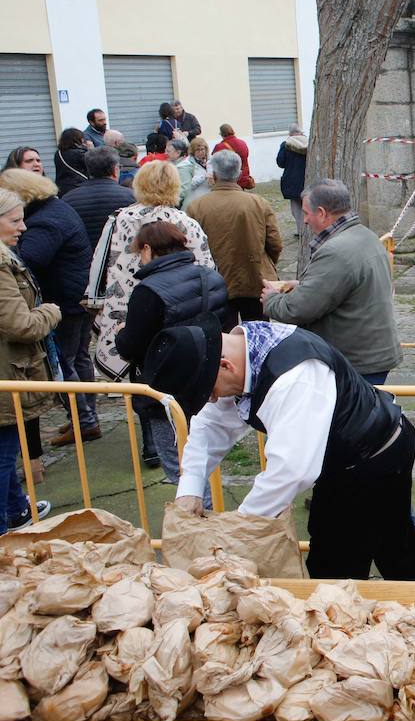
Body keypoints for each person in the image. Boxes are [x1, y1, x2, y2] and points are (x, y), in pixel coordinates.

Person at [158, 315, 415, 581]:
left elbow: (291, 471)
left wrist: (240, 529)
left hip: (374, 454)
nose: (214, 398)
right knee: (389, 544)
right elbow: (210, 424)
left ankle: (413, 609)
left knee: (337, 564)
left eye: (211, 391)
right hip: (349, 453)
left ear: (225, 365)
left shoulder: (294, 378)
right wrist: (191, 488)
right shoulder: (244, 348)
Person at [113, 222, 229, 500]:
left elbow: (131, 345)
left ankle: (199, 528)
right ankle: (210, 522)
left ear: (148, 249)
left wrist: (120, 335)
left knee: (179, 466)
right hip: (209, 381)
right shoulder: (210, 276)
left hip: (165, 386)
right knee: (202, 459)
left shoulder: (148, 290)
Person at [90, 161, 215, 394]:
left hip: (130, 309)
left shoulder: (120, 220)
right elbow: (206, 268)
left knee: (138, 369)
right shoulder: (186, 222)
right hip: (177, 308)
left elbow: (101, 264)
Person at [262, 180, 402, 383]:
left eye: (306, 213)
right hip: (372, 353)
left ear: (321, 213)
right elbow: (349, 287)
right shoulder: (365, 235)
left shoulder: (336, 251)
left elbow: (300, 308)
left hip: (356, 361)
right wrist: (303, 286)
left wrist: (272, 300)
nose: (305, 220)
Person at [0, 167, 95, 447]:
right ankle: (84, 418)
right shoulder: (55, 209)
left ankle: (84, 419)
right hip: (74, 293)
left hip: (61, 301)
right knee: (77, 357)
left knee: (63, 362)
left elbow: (30, 258)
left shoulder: (45, 221)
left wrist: (47, 311)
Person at [0, 188, 59, 531]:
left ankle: (16, 508)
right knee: (5, 451)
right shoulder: (2, 266)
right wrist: (49, 312)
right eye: (15, 220)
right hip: (8, 370)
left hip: (9, 367)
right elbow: (19, 325)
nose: (23, 227)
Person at [187, 151, 282, 323]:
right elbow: (274, 243)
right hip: (255, 277)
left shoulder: (196, 207)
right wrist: (266, 263)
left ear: (214, 175)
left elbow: (190, 248)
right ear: (238, 174)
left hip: (215, 283)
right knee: (257, 334)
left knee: (226, 339)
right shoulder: (258, 203)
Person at [65, 147, 135, 249]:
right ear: (115, 170)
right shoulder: (131, 197)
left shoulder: (68, 199)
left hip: (84, 259)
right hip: (120, 257)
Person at [276, 127, 309, 239]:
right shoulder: (309, 142)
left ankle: (301, 231)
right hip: (307, 179)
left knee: (296, 208)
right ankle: (309, 229)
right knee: (308, 205)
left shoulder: (286, 144)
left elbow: (280, 162)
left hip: (292, 179)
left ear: (290, 133)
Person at [212, 124, 254, 189]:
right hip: (243, 177)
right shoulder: (243, 143)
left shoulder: (220, 147)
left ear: (222, 134)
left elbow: (215, 163)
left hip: (228, 180)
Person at [166, 138, 203, 209]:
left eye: (168, 151)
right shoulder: (174, 163)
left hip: (179, 206)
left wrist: (168, 204)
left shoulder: (183, 168)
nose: (166, 153)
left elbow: (183, 190)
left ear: (178, 153)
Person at [53, 128, 89, 196]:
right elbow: (93, 163)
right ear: (76, 140)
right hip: (78, 187)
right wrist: (90, 149)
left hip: (62, 188)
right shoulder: (79, 153)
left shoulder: (58, 153)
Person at [183, 137, 211, 206]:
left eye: (202, 149)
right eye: (198, 150)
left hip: (210, 196)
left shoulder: (211, 159)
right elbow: (189, 185)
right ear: (193, 151)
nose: (201, 152)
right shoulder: (188, 163)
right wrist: (204, 176)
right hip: (196, 198)